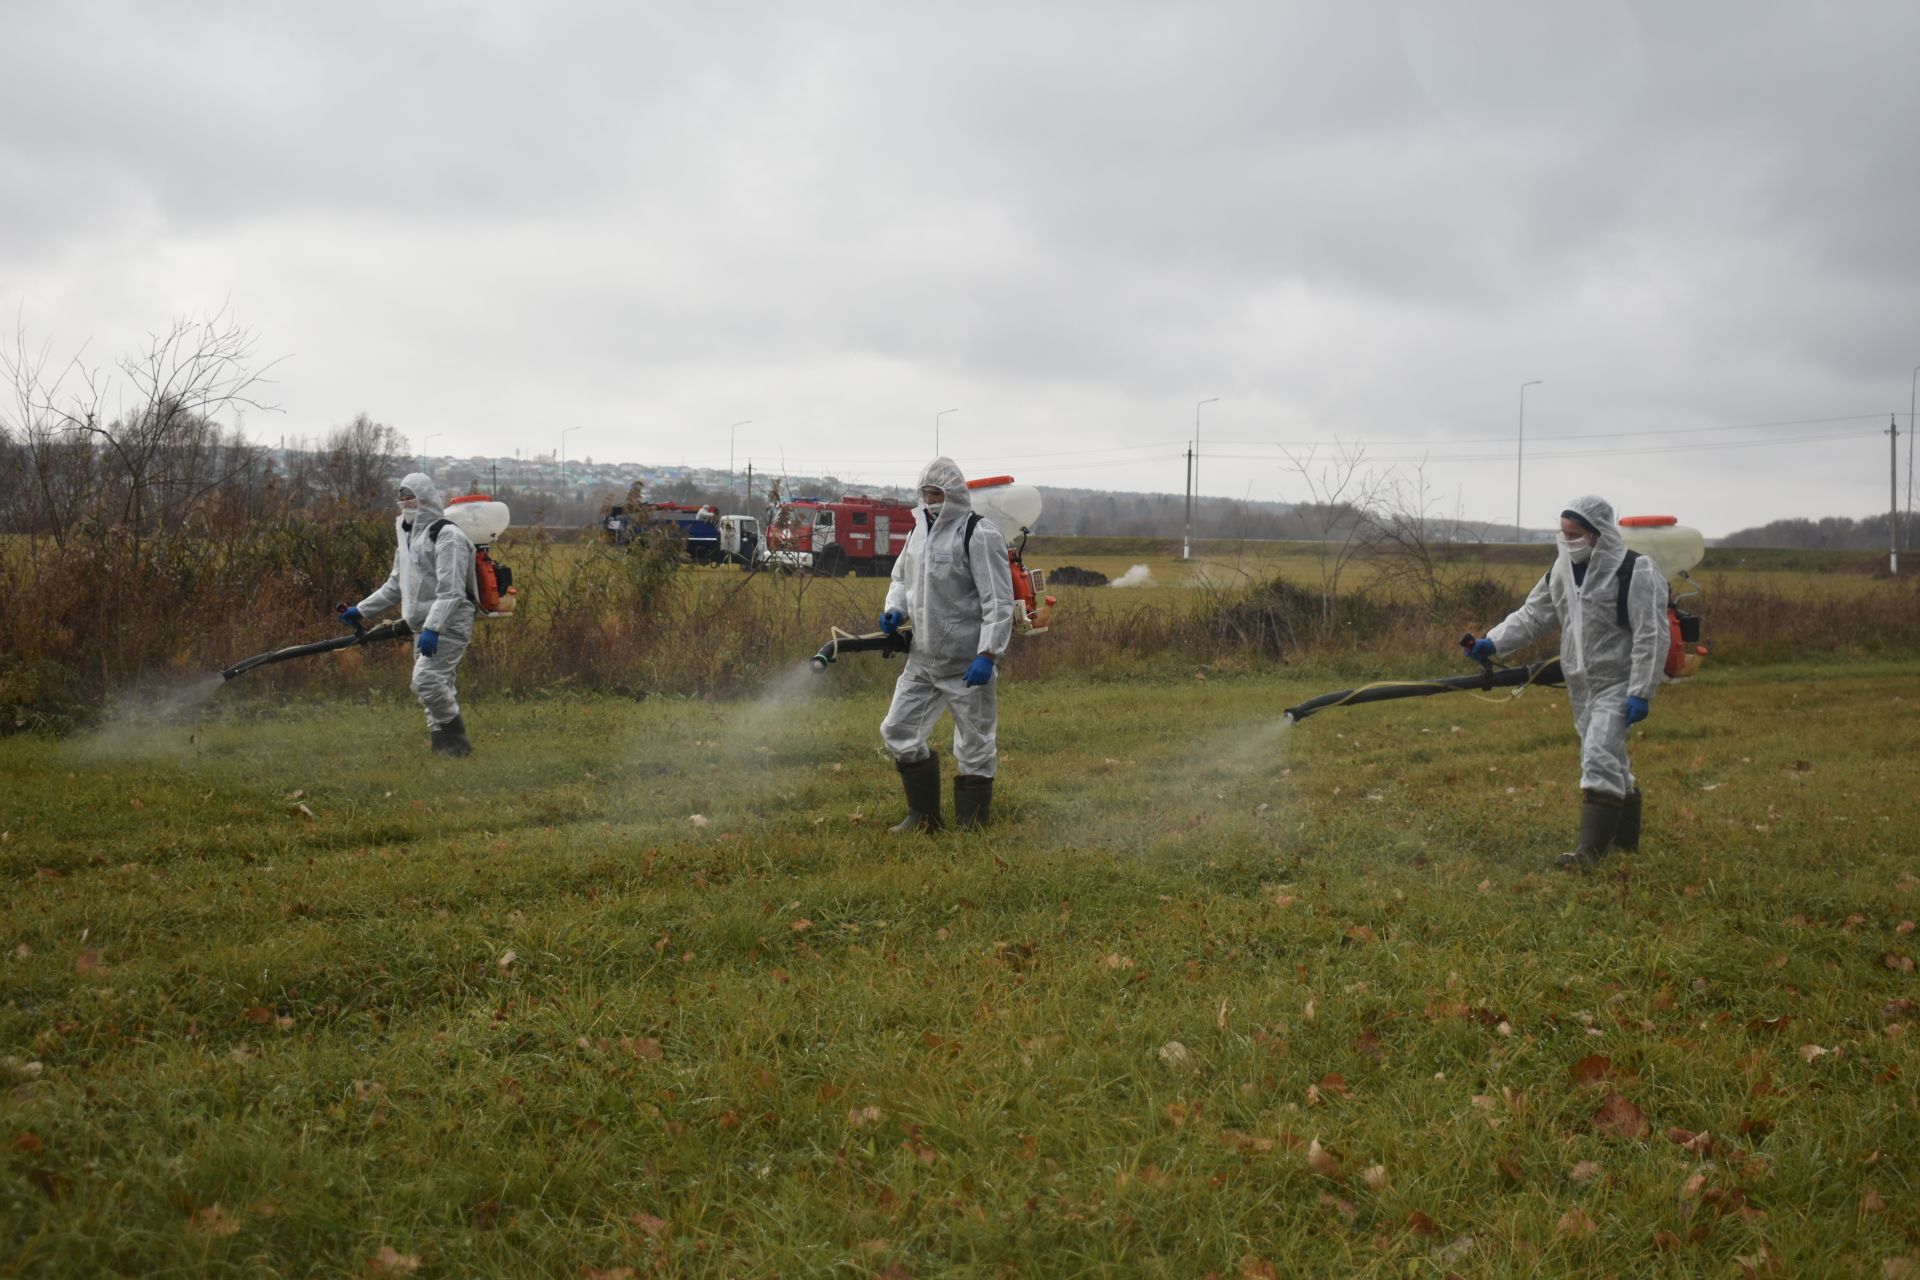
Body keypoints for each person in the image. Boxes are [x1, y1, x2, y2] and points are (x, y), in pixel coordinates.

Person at [1460, 495, 1668, 870]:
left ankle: (1589, 853)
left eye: (1574, 534)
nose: (1567, 539)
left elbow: (1651, 635)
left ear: (1598, 533)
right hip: (1580, 684)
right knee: (1609, 754)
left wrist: (1641, 690)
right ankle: (1624, 841)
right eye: (1564, 532)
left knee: (1598, 754)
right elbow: (1534, 615)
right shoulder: (1562, 569)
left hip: (1618, 681)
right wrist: (1494, 641)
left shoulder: (1636, 571)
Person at [878, 457, 1015, 831]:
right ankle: (923, 817)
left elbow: (998, 601)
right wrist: (894, 610)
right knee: (898, 730)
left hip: (967, 662)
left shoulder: (978, 534)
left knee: (975, 743)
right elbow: (900, 580)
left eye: (936, 493)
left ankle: (972, 826)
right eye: (924, 493)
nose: (929, 500)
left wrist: (988, 653)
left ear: (953, 494)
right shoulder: (917, 533)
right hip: (922, 660)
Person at [340, 472, 479, 756]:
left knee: (426, 681)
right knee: (438, 685)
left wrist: (434, 627)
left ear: (425, 500)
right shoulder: (407, 538)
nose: (405, 506)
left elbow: (451, 592)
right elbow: (395, 586)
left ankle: (457, 739)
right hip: (423, 625)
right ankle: (443, 747)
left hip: (449, 623)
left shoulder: (447, 536)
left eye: (411, 499)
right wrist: (361, 610)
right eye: (402, 500)